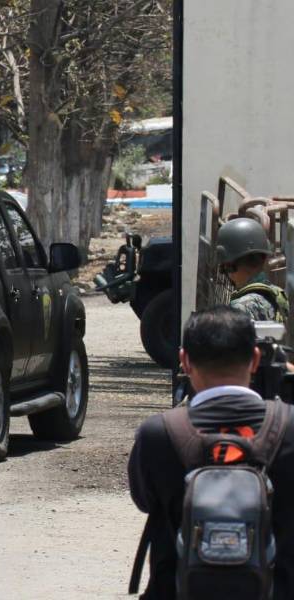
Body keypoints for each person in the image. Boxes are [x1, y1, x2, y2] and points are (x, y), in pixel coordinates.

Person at [128, 306, 294, 599]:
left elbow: (145, 500)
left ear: (184, 361)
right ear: (255, 359)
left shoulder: (158, 434)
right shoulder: (289, 428)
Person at [218, 218, 288, 322]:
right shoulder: (278, 294)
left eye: (225, 268)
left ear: (230, 266)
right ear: (264, 258)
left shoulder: (238, 309)